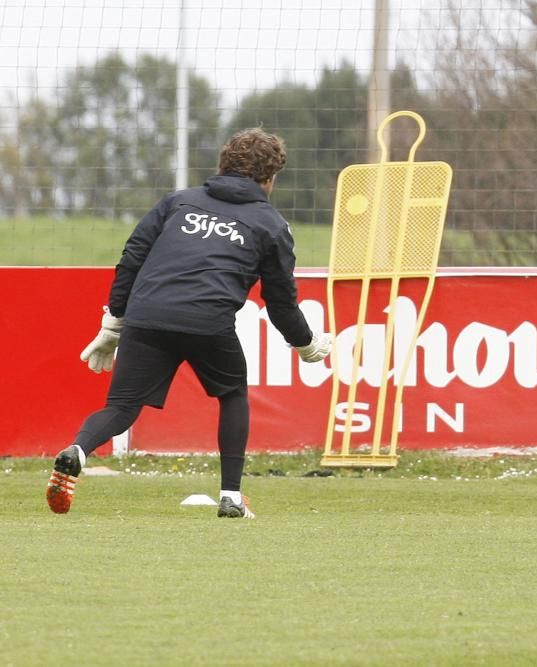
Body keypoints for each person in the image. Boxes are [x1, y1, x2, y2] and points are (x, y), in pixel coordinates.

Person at [46, 127, 332, 519]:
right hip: (209, 322)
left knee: (121, 406)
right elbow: (280, 301)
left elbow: (132, 258)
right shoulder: (271, 224)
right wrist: (306, 344)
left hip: (147, 317)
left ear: (223, 165)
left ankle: (77, 449)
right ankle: (231, 496)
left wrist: (114, 322)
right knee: (232, 395)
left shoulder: (178, 202)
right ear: (270, 178)